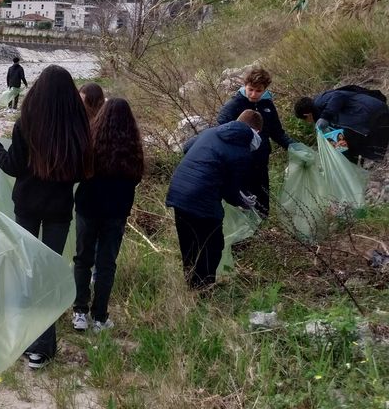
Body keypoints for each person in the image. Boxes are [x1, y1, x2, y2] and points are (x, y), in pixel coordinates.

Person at [0, 64, 91, 369]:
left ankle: (24, 341)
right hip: (59, 211)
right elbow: (84, 170)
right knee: (45, 275)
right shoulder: (79, 128)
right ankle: (42, 349)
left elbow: (14, 166)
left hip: (27, 208)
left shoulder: (26, 125)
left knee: (25, 273)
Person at [166, 110, 263, 289]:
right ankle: (204, 288)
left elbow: (187, 147)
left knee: (189, 244)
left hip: (179, 192)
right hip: (202, 198)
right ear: (255, 132)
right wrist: (243, 202)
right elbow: (232, 187)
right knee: (213, 243)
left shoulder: (211, 131)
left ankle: (191, 287)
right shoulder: (242, 151)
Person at [71, 98, 144, 332]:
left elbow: (79, 171)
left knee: (82, 259)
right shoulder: (132, 147)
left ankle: (79, 311)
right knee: (106, 263)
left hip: (87, 207)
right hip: (116, 211)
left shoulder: (91, 141)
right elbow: (137, 177)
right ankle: (100, 316)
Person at [216, 67, 297, 217]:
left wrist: (293, 146)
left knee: (262, 192)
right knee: (243, 197)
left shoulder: (267, 105)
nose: (253, 94)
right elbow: (221, 131)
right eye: (250, 89)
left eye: (258, 91)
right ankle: (245, 232)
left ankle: (263, 225)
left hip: (261, 159)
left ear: (265, 89)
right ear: (245, 86)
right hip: (240, 162)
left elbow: (277, 132)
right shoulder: (233, 105)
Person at [294, 86, 389, 163]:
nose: (308, 122)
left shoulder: (320, 101)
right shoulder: (323, 121)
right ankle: (356, 162)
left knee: (341, 137)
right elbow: (339, 144)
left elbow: (338, 96)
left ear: (307, 115)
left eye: (305, 120)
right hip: (371, 115)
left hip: (371, 112)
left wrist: (325, 117)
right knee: (337, 138)